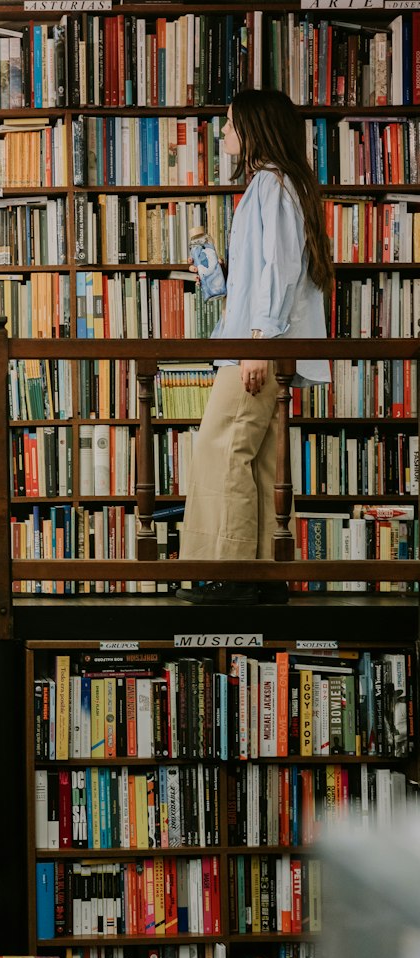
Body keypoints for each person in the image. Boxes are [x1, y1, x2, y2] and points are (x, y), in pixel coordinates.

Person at [175, 88, 333, 606]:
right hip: (262, 338)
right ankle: (263, 576)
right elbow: (264, 274)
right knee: (259, 460)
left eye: (228, 124)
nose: (222, 134)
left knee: (220, 452)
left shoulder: (270, 184)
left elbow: (281, 270)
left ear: (252, 128)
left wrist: (259, 340)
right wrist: (218, 278)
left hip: (259, 344)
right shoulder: (281, 185)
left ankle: (231, 573)